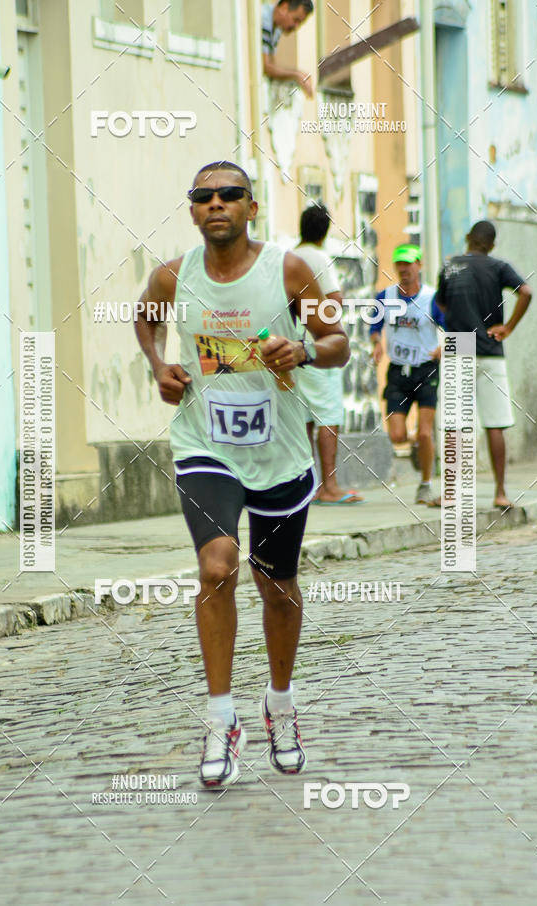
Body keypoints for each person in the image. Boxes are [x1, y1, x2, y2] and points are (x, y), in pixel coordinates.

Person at [134, 161, 349, 788]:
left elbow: (338, 342)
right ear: (193, 210)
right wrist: (159, 364)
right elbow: (145, 318)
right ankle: (220, 716)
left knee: (276, 585)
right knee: (217, 565)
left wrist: (305, 349)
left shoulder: (289, 270)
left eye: (230, 194)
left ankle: (280, 703)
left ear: (252, 207)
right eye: (203, 196)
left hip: (280, 451)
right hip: (207, 445)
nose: (216, 204)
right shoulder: (173, 275)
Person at [436, 220, 532, 509]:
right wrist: (508, 328)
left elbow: (442, 305)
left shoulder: (449, 267)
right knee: (495, 424)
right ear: (491, 245)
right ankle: (500, 493)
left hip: (457, 346)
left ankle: (451, 493)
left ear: (468, 238)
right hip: (490, 348)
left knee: (454, 424)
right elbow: (526, 292)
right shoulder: (498, 266)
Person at [294, 204, 363, 504]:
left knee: (304, 417)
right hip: (318, 347)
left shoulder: (289, 256)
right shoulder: (319, 257)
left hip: (292, 347)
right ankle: (329, 485)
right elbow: (334, 299)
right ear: (324, 231)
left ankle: (306, 485)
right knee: (327, 415)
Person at [370, 244, 444, 505]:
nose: (403, 269)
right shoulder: (385, 296)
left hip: (425, 370)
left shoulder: (433, 298)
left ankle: (425, 485)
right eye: (399, 264)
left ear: (419, 265)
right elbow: (375, 324)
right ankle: (418, 446)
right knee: (397, 436)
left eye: (408, 264)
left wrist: (444, 348)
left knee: (425, 432)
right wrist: (376, 342)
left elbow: (457, 330)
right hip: (398, 373)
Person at [262, 0, 314, 97]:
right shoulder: (264, 19)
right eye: (296, 20)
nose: (296, 26)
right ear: (284, 7)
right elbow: (266, 66)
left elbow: (271, 65)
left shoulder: (276, 27)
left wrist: (298, 74)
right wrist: (296, 76)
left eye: (300, 23)